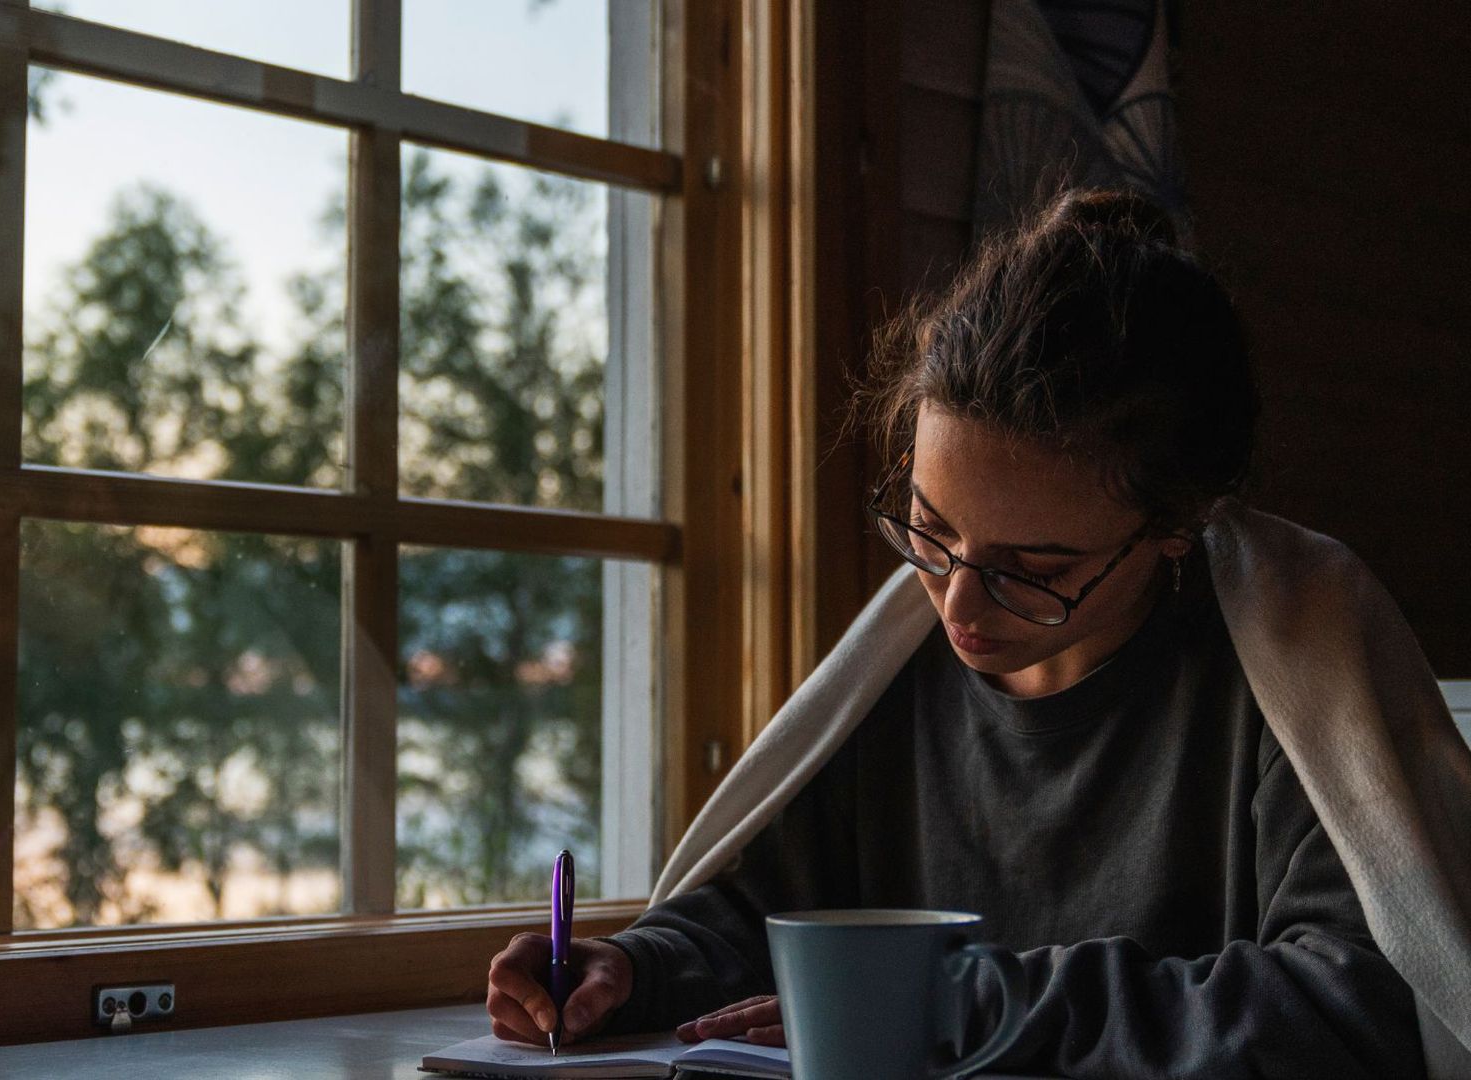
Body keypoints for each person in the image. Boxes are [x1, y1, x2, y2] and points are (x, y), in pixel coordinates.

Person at [483, 187, 1433, 1077]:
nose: (958, 609)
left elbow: (1358, 1004)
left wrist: (962, 1006)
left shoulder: (1293, 664)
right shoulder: (897, 670)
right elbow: (765, 914)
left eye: (1037, 571)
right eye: (931, 531)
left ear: (1177, 527)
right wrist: (631, 965)